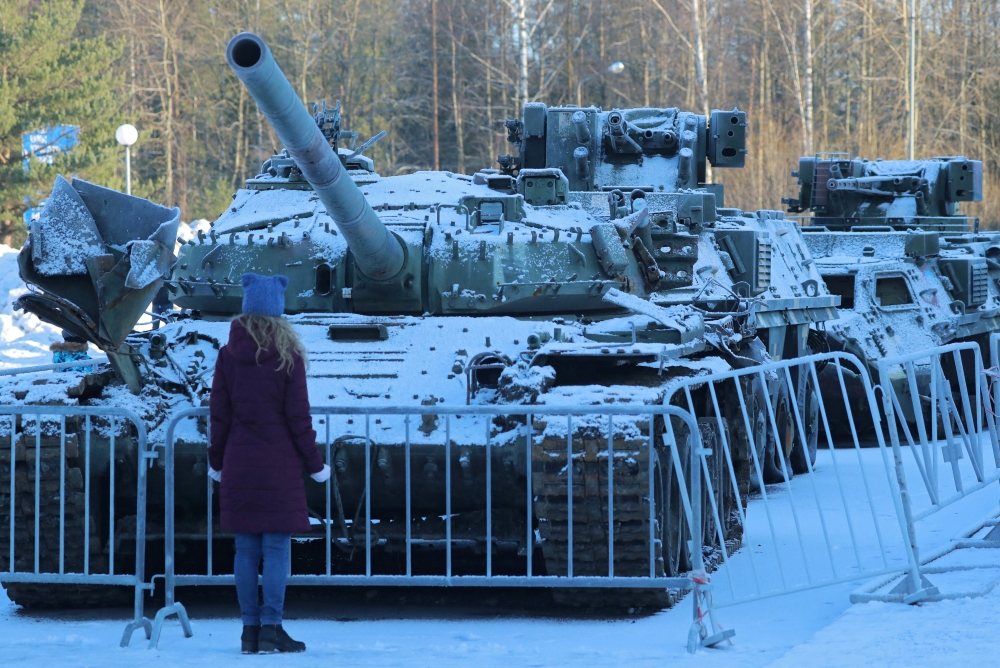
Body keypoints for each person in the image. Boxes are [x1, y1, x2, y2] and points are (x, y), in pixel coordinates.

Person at [207, 272, 331, 654]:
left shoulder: (227, 355)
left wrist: (216, 460)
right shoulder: (288, 356)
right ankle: (272, 628)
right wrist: (315, 464)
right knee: (276, 549)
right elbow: (298, 418)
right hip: (279, 465)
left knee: (245, 550)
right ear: (278, 310)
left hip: (239, 461)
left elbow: (219, 415)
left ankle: (249, 632)